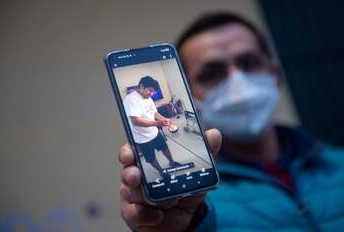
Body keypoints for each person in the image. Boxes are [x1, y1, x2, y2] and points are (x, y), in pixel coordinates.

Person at [118, 12, 344, 231]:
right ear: (191, 98)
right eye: (212, 73)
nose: (238, 84)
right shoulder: (194, 205)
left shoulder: (339, 164)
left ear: (276, 75)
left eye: (249, 63)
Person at [123, 76, 181, 178]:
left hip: (154, 132)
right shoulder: (130, 99)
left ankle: (172, 162)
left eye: (153, 91)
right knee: (151, 158)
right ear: (141, 86)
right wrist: (158, 124)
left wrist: (165, 120)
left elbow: (154, 112)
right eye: (150, 90)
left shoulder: (148, 98)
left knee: (165, 148)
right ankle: (161, 171)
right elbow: (135, 121)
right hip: (142, 138)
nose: (152, 94)